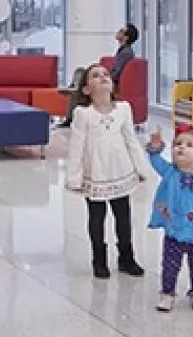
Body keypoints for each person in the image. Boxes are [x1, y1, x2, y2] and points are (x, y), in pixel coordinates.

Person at [63, 63, 149, 278]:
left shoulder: (124, 109)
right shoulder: (83, 114)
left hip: (120, 171)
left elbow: (131, 141)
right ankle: (99, 259)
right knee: (96, 218)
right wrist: (74, 177)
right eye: (95, 75)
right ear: (86, 89)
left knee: (124, 217)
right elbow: (76, 147)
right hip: (97, 173)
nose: (102, 77)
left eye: (106, 74)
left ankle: (126, 257)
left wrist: (141, 167)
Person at [146, 125, 193, 312]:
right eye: (177, 144)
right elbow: (155, 160)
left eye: (188, 145)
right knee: (170, 265)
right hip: (175, 230)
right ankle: (167, 292)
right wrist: (156, 146)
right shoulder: (169, 172)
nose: (181, 147)